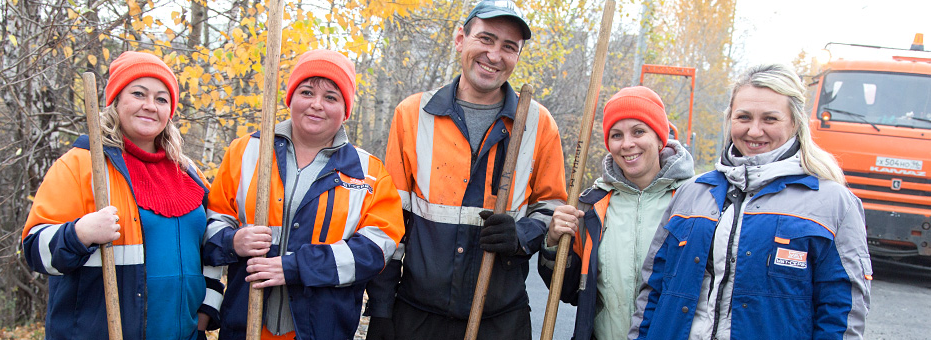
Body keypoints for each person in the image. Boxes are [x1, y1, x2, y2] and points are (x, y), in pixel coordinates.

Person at [364, 1, 568, 339]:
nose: (495, 54)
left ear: (517, 56)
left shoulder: (537, 124)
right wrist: (382, 308)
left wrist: (522, 235)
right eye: (486, 39)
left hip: (501, 320)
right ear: (461, 39)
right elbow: (389, 219)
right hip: (418, 316)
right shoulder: (413, 115)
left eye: (509, 47)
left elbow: (554, 208)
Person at [628, 64, 872, 339]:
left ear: (795, 122)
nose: (754, 131)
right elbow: (653, 289)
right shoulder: (692, 192)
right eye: (743, 117)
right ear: (730, 119)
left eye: (770, 119)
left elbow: (843, 310)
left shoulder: (832, 203)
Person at [202, 49, 405, 340]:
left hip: (322, 328)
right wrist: (233, 240)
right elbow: (211, 225)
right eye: (307, 92)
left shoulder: (368, 172)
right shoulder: (247, 151)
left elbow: (375, 250)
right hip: (246, 323)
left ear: (345, 109)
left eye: (331, 97)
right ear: (291, 98)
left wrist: (298, 267)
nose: (316, 105)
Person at [22, 51, 222, 339]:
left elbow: (213, 251)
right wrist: (79, 234)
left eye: (161, 99)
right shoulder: (82, 164)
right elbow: (35, 251)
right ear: (115, 101)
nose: (150, 106)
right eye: (138, 94)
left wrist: (205, 312)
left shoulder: (188, 172)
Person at [538, 86, 695, 340]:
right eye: (616, 135)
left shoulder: (694, 201)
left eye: (639, 131)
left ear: (660, 137)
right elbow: (567, 291)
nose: (627, 144)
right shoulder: (592, 206)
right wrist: (554, 243)